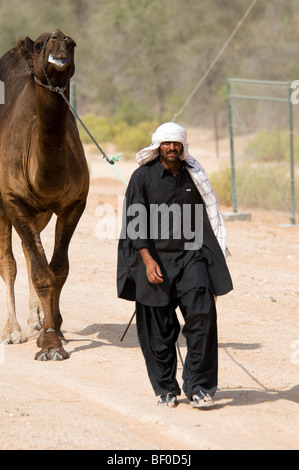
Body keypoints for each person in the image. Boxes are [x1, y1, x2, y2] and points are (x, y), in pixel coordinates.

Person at [117, 122, 233, 408]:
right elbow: (134, 222)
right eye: (166, 143)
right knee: (159, 329)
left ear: (182, 147)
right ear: (158, 146)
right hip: (153, 259)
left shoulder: (193, 176)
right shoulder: (141, 178)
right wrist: (146, 259)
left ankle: (199, 386)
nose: (171, 148)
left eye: (176, 143)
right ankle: (165, 388)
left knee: (203, 314)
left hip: (191, 257)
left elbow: (207, 215)